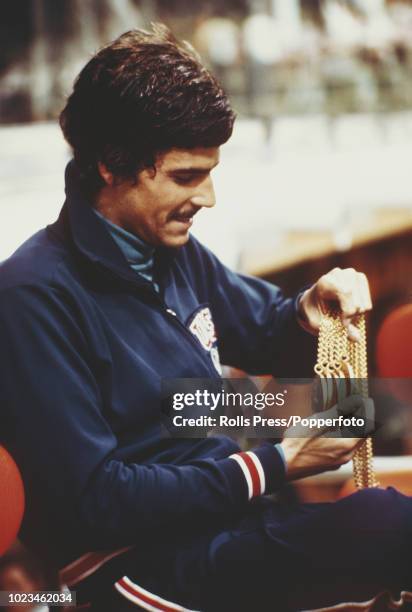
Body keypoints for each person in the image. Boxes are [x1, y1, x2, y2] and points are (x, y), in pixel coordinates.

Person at [0, 24, 410, 612]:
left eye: (211, 172)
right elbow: (96, 500)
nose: (209, 198)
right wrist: (275, 462)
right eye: (187, 177)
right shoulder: (31, 296)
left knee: (382, 494)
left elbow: (265, 327)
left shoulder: (172, 251)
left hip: (230, 526)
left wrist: (307, 310)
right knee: (388, 523)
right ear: (110, 167)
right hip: (133, 571)